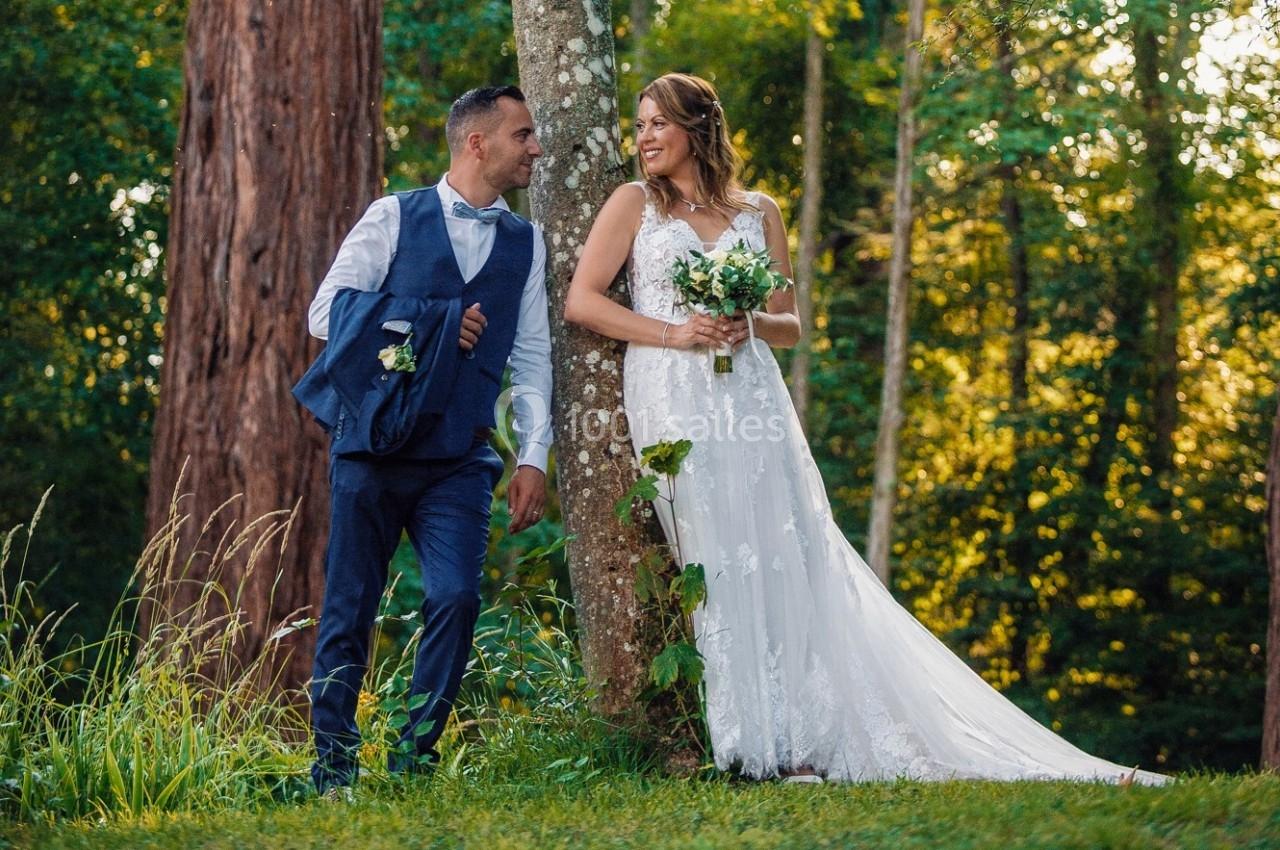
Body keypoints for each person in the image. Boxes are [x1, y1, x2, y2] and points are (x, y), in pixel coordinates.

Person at [564, 72, 1169, 786]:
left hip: (753, 395)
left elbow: (790, 325)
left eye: (658, 124)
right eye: (639, 125)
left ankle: (799, 737)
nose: (644, 138)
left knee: (785, 551)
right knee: (715, 556)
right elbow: (582, 302)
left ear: (698, 128)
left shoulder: (759, 211)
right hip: (670, 391)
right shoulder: (634, 204)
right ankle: (744, 742)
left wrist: (746, 320)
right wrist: (675, 332)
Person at [298, 85, 552, 796]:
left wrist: (533, 454)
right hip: (371, 448)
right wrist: (432, 320)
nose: (536, 148)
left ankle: (412, 759)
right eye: (523, 135)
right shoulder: (393, 215)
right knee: (350, 607)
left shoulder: (526, 242)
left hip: (462, 455)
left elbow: (531, 355)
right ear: (479, 143)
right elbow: (326, 313)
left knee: (455, 599)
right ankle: (333, 769)